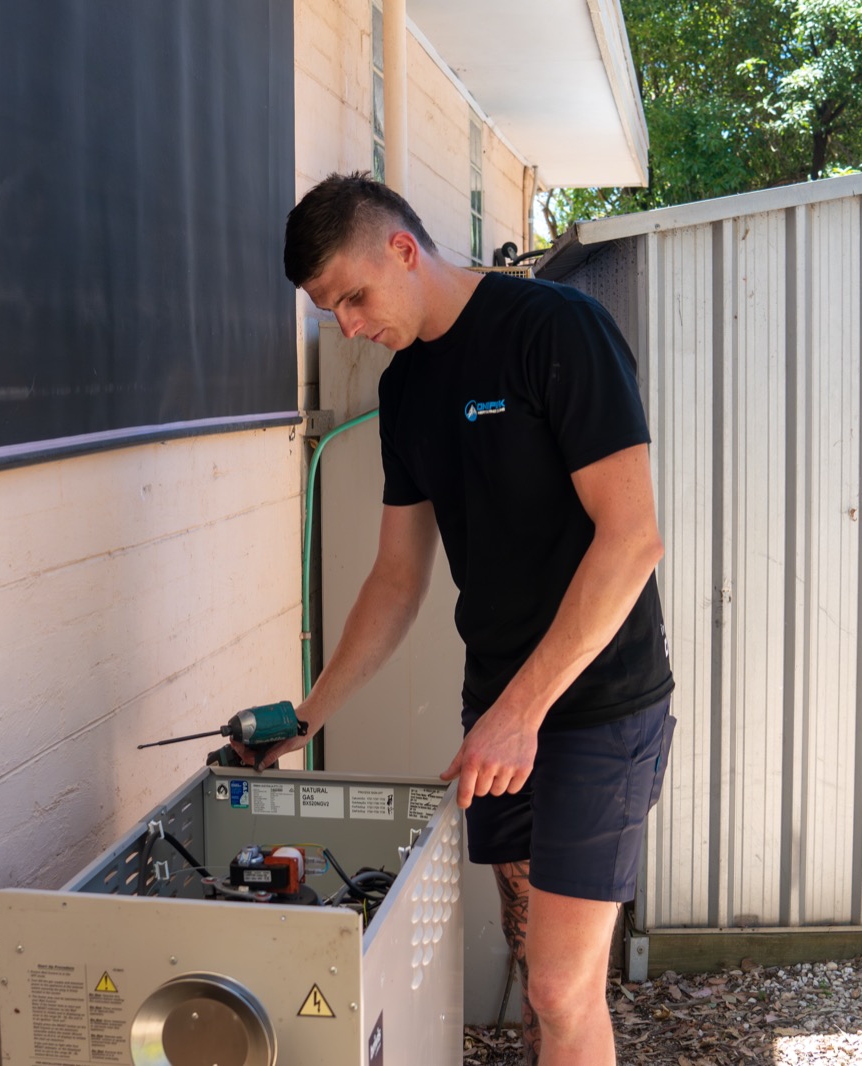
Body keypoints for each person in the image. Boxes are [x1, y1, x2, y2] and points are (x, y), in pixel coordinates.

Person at [257, 172, 675, 1066]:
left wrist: (520, 715)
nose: (349, 326)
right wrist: (309, 713)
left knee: (564, 987)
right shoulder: (408, 392)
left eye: (354, 297)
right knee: (541, 974)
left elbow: (633, 540)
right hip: (498, 718)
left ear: (403, 250)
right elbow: (395, 580)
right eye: (332, 310)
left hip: (596, 707)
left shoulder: (555, 330)